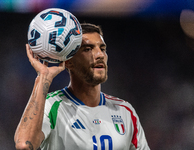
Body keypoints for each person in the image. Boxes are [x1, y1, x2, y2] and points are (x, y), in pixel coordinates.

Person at [14, 23, 150, 150]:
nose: (100, 55)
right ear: (68, 62)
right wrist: (43, 77)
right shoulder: (50, 106)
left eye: (102, 49)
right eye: (88, 49)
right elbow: (24, 144)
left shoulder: (125, 111)